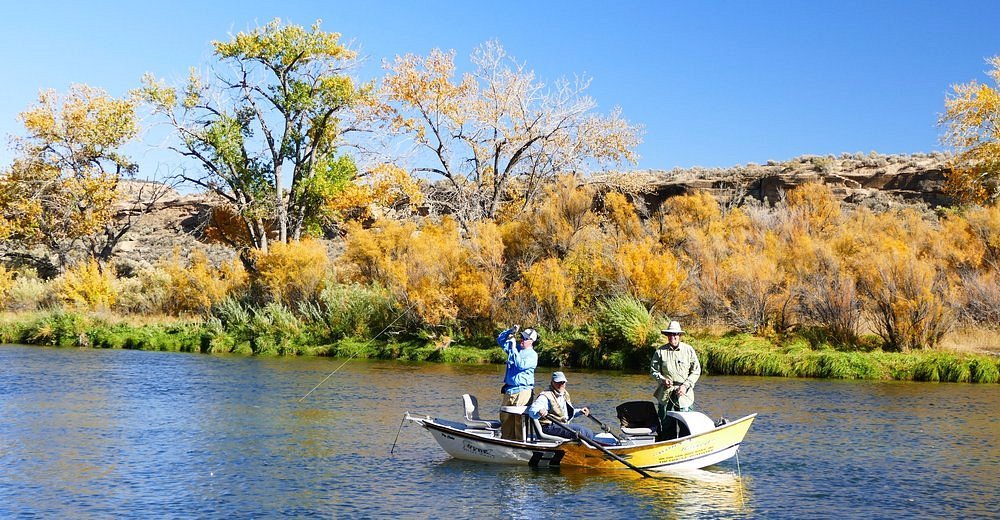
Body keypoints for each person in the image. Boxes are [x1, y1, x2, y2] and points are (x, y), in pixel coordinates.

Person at [528, 371, 615, 445]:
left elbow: (566, 414)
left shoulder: (564, 394)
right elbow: (532, 410)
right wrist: (540, 411)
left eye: (563, 382)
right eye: (558, 382)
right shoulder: (545, 396)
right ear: (552, 382)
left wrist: (580, 411)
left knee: (588, 432)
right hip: (549, 427)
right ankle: (595, 448)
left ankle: (599, 445)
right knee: (581, 431)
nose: (561, 384)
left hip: (561, 425)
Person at [650, 320, 702, 440]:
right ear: (667, 336)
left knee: (686, 427)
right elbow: (653, 371)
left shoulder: (688, 350)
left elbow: (696, 370)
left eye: (675, 334)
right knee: (667, 426)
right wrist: (662, 379)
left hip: (684, 395)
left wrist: (685, 385)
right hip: (665, 393)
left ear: (679, 336)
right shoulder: (660, 352)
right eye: (670, 334)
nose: (672, 337)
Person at [497, 325, 538, 440]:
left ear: (531, 341)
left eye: (525, 338)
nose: (522, 340)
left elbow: (520, 365)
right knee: (505, 420)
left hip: (523, 392)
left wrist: (513, 347)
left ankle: (521, 445)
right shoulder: (516, 349)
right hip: (509, 391)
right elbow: (500, 340)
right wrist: (510, 331)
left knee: (520, 423)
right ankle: (505, 443)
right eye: (521, 337)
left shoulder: (533, 355)